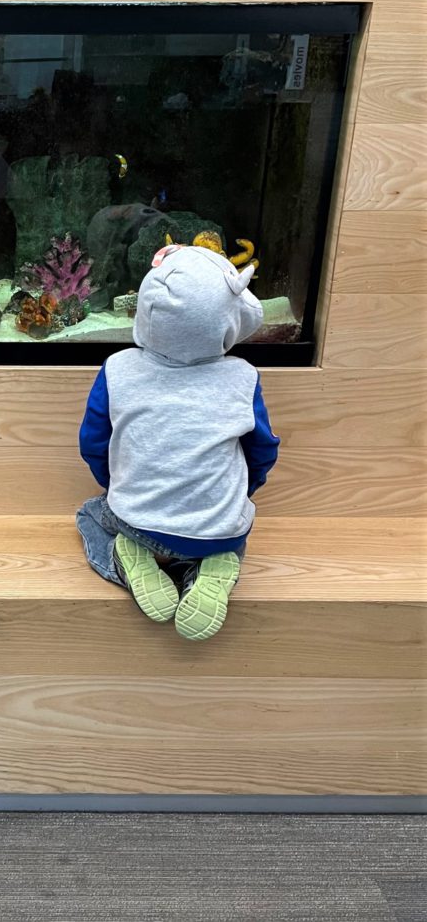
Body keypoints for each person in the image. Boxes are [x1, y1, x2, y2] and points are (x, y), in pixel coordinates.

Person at [76, 243, 279, 641]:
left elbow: (93, 442)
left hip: (137, 522)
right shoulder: (243, 376)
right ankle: (210, 568)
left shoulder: (117, 369)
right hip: (221, 529)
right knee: (230, 539)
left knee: (89, 513)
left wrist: (116, 485)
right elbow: (263, 449)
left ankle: (125, 562)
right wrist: (241, 492)